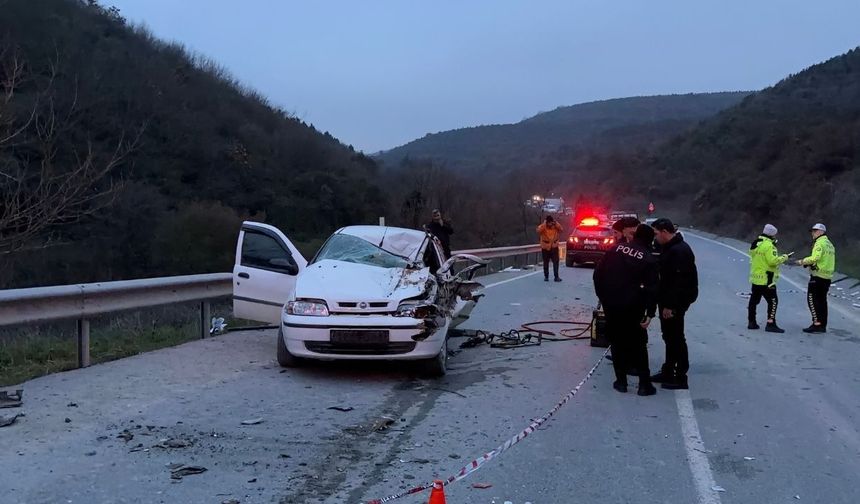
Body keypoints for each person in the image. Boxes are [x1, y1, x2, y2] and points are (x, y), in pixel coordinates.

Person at [594, 224, 659, 396]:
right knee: (638, 344)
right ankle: (644, 385)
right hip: (634, 306)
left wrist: (603, 297)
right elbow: (653, 288)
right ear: (650, 240)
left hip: (612, 304)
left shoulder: (615, 249)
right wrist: (650, 313)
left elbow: (598, 274)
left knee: (616, 342)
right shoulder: (648, 258)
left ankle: (621, 381)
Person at [650, 218, 698, 390]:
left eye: (656, 234)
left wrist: (670, 306)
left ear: (664, 231)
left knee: (676, 337)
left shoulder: (678, 251)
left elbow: (678, 282)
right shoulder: (670, 248)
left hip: (675, 302)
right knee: (669, 336)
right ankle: (668, 370)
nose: (655, 238)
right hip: (668, 300)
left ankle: (680, 376)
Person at [748, 224, 789, 333]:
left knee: (754, 300)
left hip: (755, 277)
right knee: (773, 301)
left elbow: (752, 256)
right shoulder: (769, 246)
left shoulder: (755, 243)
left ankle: (751, 322)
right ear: (773, 235)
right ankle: (771, 324)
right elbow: (772, 261)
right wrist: (784, 257)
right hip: (767, 279)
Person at [796, 223, 836, 333]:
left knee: (812, 300)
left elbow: (815, 258)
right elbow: (823, 260)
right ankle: (822, 325)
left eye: (814, 231)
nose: (812, 233)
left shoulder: (820, 243)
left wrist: (801, 262)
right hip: (827, 277)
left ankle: (816, 324)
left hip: (817, 277)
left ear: (821, 232)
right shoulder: (830, 244)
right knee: (822, 301)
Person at [537, 215, 563, 282]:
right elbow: (538, 231)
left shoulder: (555, 226)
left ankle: (556, 277)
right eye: (549, 223)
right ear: (547, 222)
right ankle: (546, 276)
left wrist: (556, 223)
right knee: (546, 262)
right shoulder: (543, 227)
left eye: (551, 223)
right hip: (545, 247)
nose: (550, 224)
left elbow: (561, 229)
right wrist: (544, 224)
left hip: (554, 246)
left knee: (556, 262)